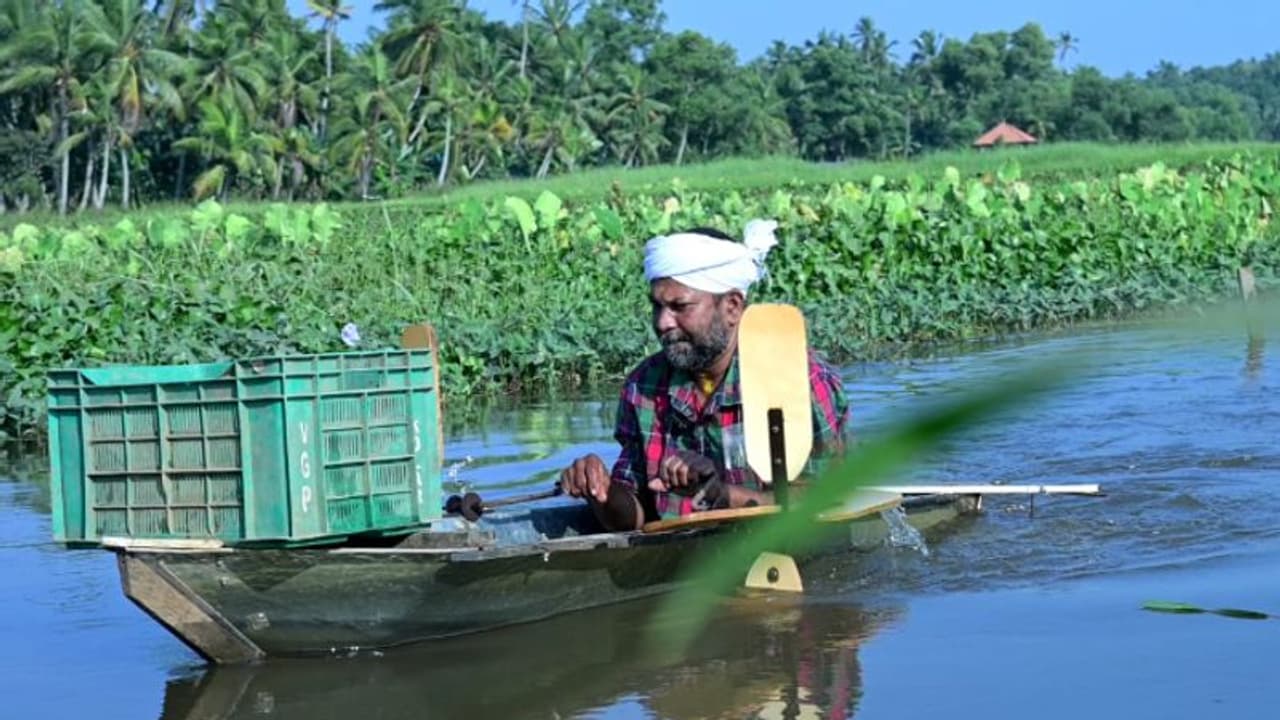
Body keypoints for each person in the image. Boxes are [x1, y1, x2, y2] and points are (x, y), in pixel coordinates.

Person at [558, 219, 852, 531]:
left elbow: (832, 500)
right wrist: (600, 490)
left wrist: (720, 495)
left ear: (732, 307)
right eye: (656, 307)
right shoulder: (643, 386)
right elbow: (636, 515)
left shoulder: (799, 379)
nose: (662, 323)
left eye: (679, 306)